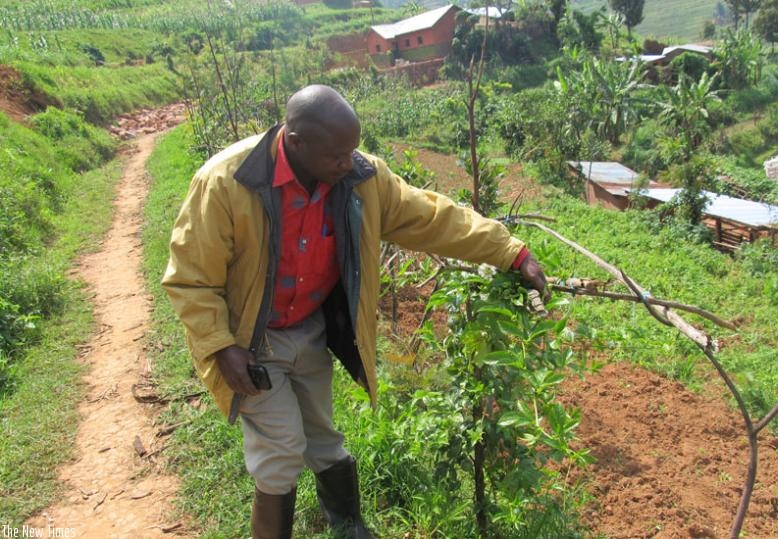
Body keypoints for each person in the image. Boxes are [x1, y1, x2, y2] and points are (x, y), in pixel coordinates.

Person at [162, 84, 548, 539]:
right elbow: (192, 277)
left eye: (352, 151)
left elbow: (430, 217)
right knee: (282, 448)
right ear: (296, 141)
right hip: (250, 337)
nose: (349, 163)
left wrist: (511, 252)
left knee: (322, 433)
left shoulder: (360, 178)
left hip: (309, 328)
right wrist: (222, 346)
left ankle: (348, 523)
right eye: (337, 155)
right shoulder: (227, 182)